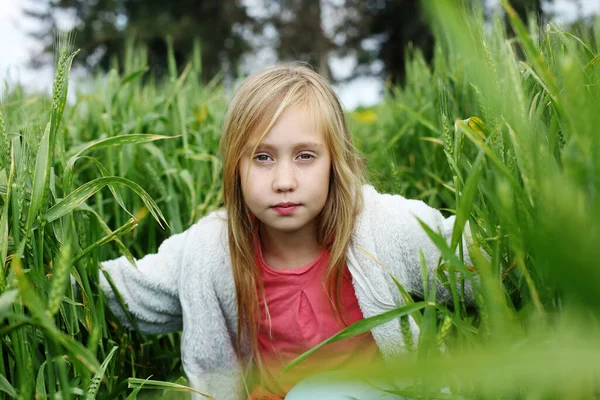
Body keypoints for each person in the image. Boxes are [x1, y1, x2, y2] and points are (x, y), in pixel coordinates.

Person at [98, 63, 476, 400]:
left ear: (334, 162)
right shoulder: (213, 247)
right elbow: (127, 290)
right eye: (262, 157)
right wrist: (55, 272)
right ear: (237, 168)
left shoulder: (380, 227)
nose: (283, 181)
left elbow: (474, 263)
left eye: (305, 156)